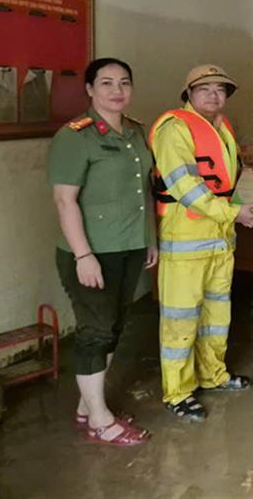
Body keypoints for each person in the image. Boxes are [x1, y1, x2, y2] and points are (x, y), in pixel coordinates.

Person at [49, 58, 156, 446]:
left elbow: (143, 191)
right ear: (90, 90)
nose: (117, 91)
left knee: (112, 328)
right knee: (95, 333)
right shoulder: (74, 136)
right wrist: (83, 255)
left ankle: (86, 407)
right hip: (93, 252)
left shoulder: (137, 133)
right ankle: (99, 419)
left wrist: (151, 239)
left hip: (129, 246)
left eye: (124, 83)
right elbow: (64, 201)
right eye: (107, 83)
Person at [149, 64, 253, 421]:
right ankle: (178, 392)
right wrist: (233, 214)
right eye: (205, 89)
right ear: (189, 93)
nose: (214, 95)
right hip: (187, 236)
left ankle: (213, 375)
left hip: (219, 238)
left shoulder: (222, 127)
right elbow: (185, 186)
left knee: (216, 313)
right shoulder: (174, 128)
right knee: (181, 318)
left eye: (221, 89)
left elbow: (232, 175)